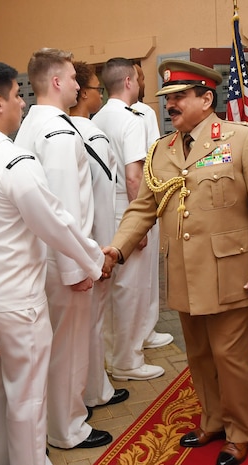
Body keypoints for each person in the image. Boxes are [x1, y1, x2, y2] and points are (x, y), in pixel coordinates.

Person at [108, 59, 248, 465]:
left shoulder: (242, 140)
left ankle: (239, 432)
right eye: (167, 98)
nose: (170, 105)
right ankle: (213, 420)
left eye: (178, 97)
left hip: (232, 274)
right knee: (200, 356)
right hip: (185, 275)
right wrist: (117, 249)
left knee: (230, 358)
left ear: (207, 99)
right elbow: (143, 208)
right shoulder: (162, 150)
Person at [0, 60, 113, 465]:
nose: (22, 103)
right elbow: (54, 220)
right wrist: (94, 259)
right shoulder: (11, 159)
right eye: (15, 96)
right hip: (19, 295)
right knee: (27, 396)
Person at [14, 48, 113, 450]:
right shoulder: (56, 130)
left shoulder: (33, 124)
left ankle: (60, 418)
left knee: (59, 348)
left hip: (50, 255)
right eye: (73, 77)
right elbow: (63, 205)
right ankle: (68, 427)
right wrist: (79, 269)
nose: (78, 84)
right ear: (56, 82)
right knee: (68, 350)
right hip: (63, 260)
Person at [92, 58, 165, 381]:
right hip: (130, 206)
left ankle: (116, 352)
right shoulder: (131, 118)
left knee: (119, 287)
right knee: (132, 287)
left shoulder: (98, 117)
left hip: (109, 206)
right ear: (128, 82)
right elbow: (134, 176)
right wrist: (141, 223)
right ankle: (128, 360)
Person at [67, 61, 129, 410]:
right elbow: (101, 198)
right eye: (95, 88)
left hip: (71, 249)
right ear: (84, 93)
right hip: (92, 248)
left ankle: (92, 387)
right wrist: (106, 252)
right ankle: (95, 390)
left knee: (82, 329)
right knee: (91, 325)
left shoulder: (51, 130)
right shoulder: (90, 134)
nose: (98, 94)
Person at [133, 63, 173, 351]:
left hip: (128, 206)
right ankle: (144, 332)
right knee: (143, 279)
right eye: (141, 77)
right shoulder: (142, 113)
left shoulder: (105, 116)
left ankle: (138, 333)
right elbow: (149, 166)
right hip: (144, 202)